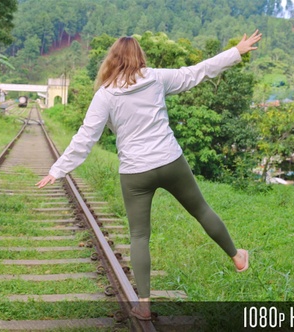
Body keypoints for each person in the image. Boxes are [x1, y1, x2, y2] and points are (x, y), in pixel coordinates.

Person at [36, 30, 261, 320]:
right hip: (170, 161)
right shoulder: (155, 77)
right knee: (202, 210)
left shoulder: (105, 95)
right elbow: (197, 72)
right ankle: (238, 257)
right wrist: (236, 51)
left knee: (139, 236)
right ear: (139, 57)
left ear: (112, 60)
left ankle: (143, 303)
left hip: (135, 172)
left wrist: (58, 170)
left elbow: (86, 137)